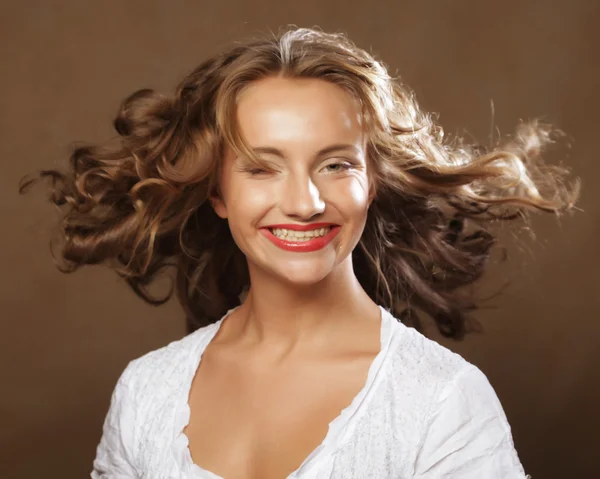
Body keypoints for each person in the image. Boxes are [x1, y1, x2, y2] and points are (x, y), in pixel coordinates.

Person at [21, 26, 579, 478]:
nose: (304, 202)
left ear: (373, 182)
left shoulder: (441, 402)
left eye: (336, 164)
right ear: (216, 191)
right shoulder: (146, 392)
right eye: (262, 168)